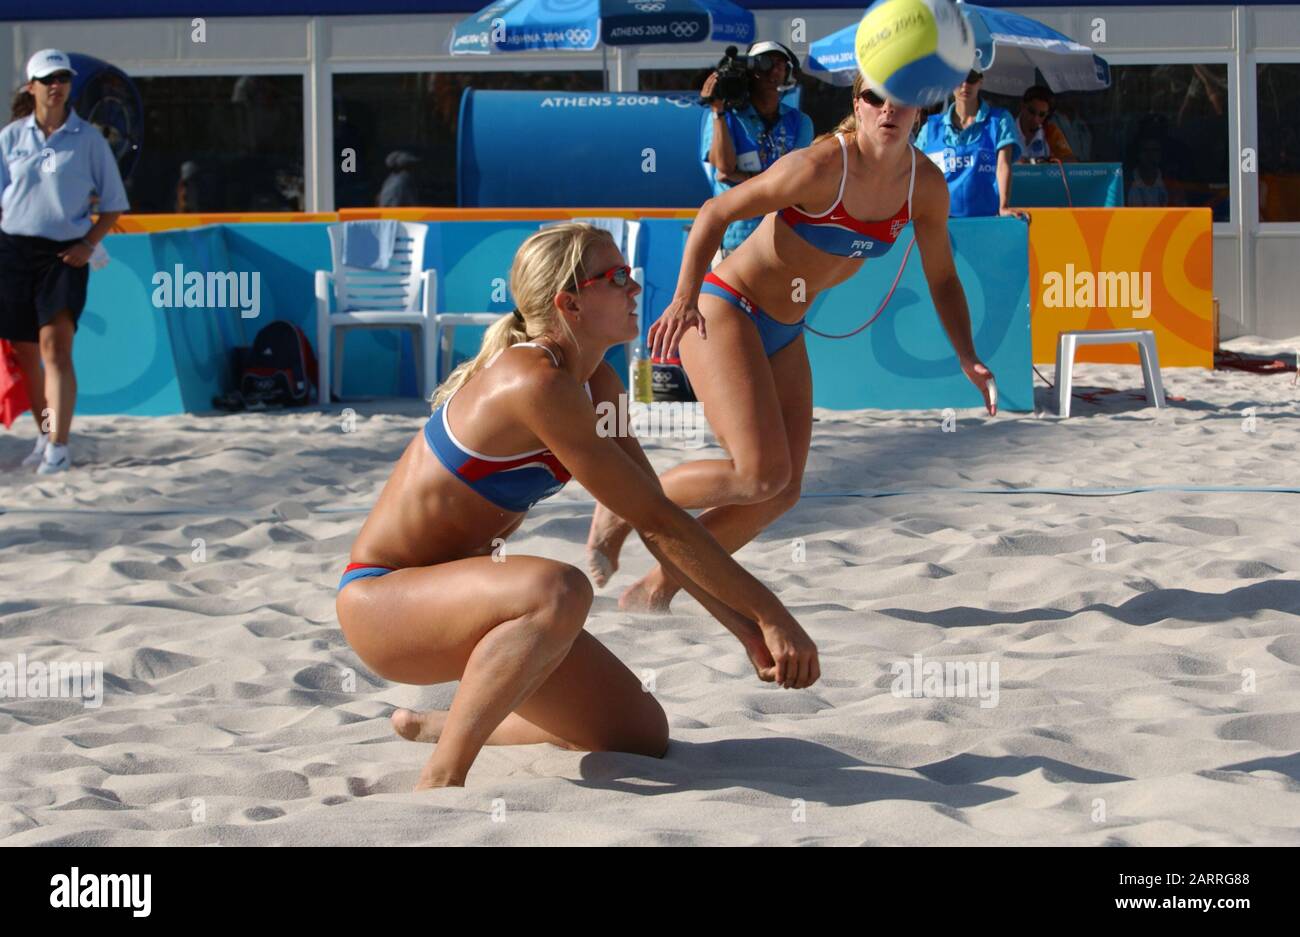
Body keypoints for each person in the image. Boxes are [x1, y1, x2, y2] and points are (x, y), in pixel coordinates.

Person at [336, 222, 820, 790]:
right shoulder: (532, 380)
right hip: (384, 605)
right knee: (560, 589)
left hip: (467, 603)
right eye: (616, 277)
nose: (635, 287)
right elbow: (656, 522)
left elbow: (658, 516)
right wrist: (770, 614)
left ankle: (443, 724)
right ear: (569, 302)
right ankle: (443, 779)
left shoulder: (601, 384)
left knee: (637, 734)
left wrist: (746, 629)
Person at [585, 72, 998, 613]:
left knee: (781, 492)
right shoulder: (820, 166)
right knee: (756, 473)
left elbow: (942, 278)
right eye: (874, 97)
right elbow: (715, 211)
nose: (887, 110)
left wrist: (968, 356)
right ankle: (620, 502)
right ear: (858, 103)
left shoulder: (925, 186)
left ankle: (657, 589)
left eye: (901, 98)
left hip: (785, 329)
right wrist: (684, 298)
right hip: (725, 309)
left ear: (920, 107)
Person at [0, 49, 129, 474]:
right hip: (14, 250)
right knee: (24, 350)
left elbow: (112, 205)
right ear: (31, 86)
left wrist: (89, 244)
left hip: (64, 253)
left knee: (56, 348)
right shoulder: (10, 139)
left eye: (63, 78)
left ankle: (58, 445)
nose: (57, 86)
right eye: (48, 79)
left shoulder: (89, 140)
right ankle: (44, 430)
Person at [699, 41, 813, 265]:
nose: (774, 70)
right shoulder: (725, 116)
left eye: (781, 64)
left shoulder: (799, 121)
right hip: (736, 238)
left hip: (782, 236)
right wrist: (717, 111)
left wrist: (744, 179)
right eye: (764, 63)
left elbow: (795, 180)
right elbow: (724, 167)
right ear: (749, 71)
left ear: (788, 73)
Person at [914, 69, 1025, 219]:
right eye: (959, 77)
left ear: (980, 82)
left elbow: (1003, 165)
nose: (965, 84)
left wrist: (1003, 206)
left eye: (971, 78)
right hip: (939, 223)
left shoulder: (1000, 120)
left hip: (986, 221)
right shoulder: (930, 128)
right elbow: (914, 172)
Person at [1014, 86, 1075, 163]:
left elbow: (1071, 161)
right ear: (1022, 106)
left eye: (1042, 114)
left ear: (1047, 115)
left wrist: (1045, 162)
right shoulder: (1006, 129)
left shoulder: (1050, 131)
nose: (1035, 119)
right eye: (1032, 111)